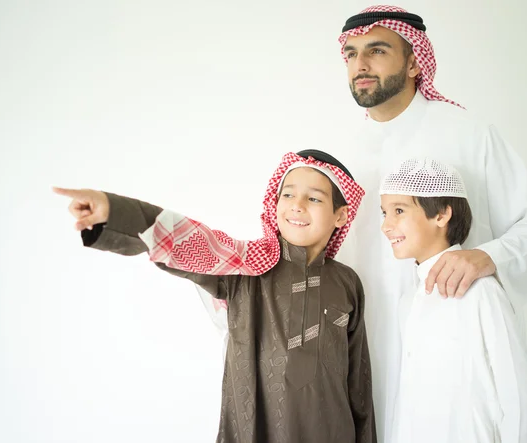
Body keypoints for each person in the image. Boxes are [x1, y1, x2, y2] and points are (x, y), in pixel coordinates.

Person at [335, 5, 527, 437]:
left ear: (415, 60)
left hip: (459, 358)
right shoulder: (346, 152)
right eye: (350, 53)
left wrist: (486, 257)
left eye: (377, 50)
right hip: (368, 355)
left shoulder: (470, 135)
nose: (359, 65)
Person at [53, 149, 376, 443]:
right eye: (287, 194)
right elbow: (188, 242)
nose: (296, 205)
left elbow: (359, 383)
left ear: (341, 216)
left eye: (314, 199)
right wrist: (115, 211)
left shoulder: (347, 282)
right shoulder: (246, 268)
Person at [380, 157, 527, 442]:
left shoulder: (480, 291)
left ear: (442, 215)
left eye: (398, 211)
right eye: (384, 213)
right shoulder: (409, 301)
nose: (386, 225)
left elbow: (523, 398)